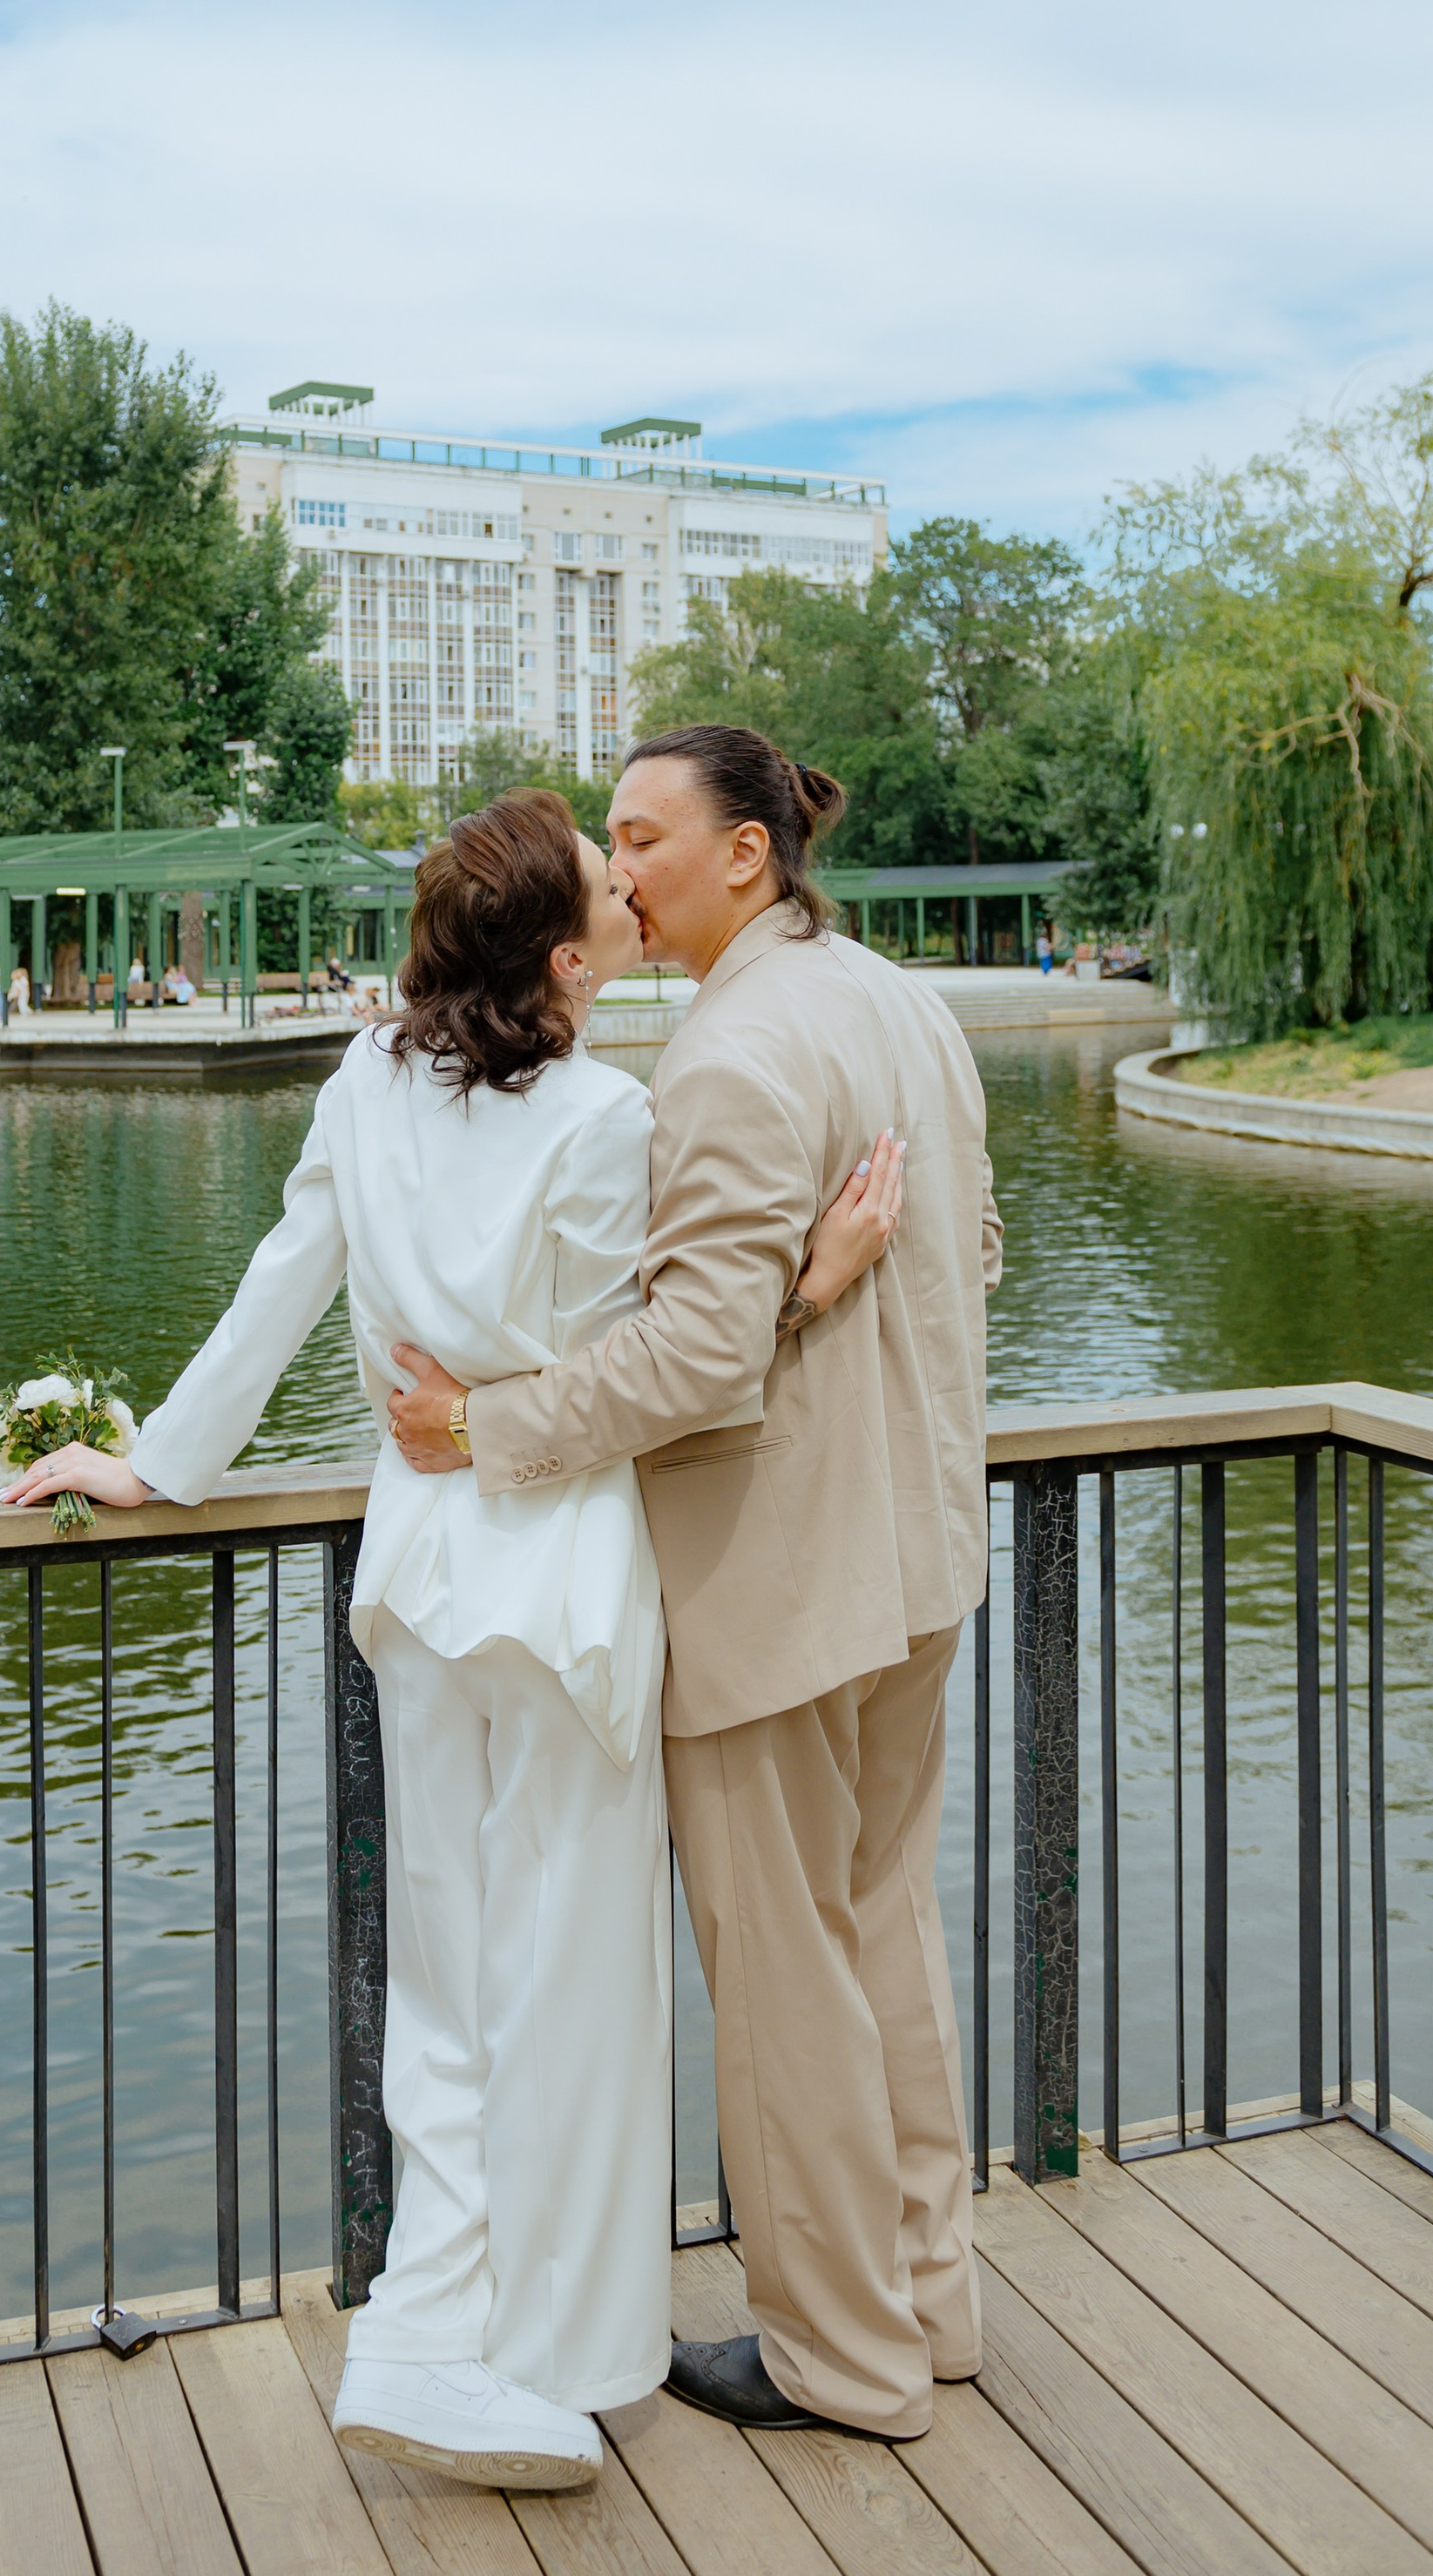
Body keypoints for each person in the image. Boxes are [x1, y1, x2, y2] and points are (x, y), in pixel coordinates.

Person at [0, 787, 900, 2492]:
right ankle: (548, 2366)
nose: (627, 901)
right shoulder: (612, 1117)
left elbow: (278, 1285)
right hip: (560, 1588)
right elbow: (669, 1366)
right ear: (560, 955)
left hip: (414, 1582)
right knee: (568, 1986)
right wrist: (812, 1279)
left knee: (442, 1978)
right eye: (600, 890)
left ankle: (420, 2328)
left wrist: (157, 1464)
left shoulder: (363, 1083)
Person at [389, 725, 997, 2447]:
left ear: (743, 856)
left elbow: (689, 1361)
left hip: (775, 1585)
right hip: (916, 1559)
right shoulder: (900, 1003)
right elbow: (974, 1259)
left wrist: (477, 1421)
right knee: (881, 1931)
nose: (617, 863)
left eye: (642, 835)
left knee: (782, 1979)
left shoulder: (728, 1057)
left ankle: (838, 2358)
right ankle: (927, 2304)